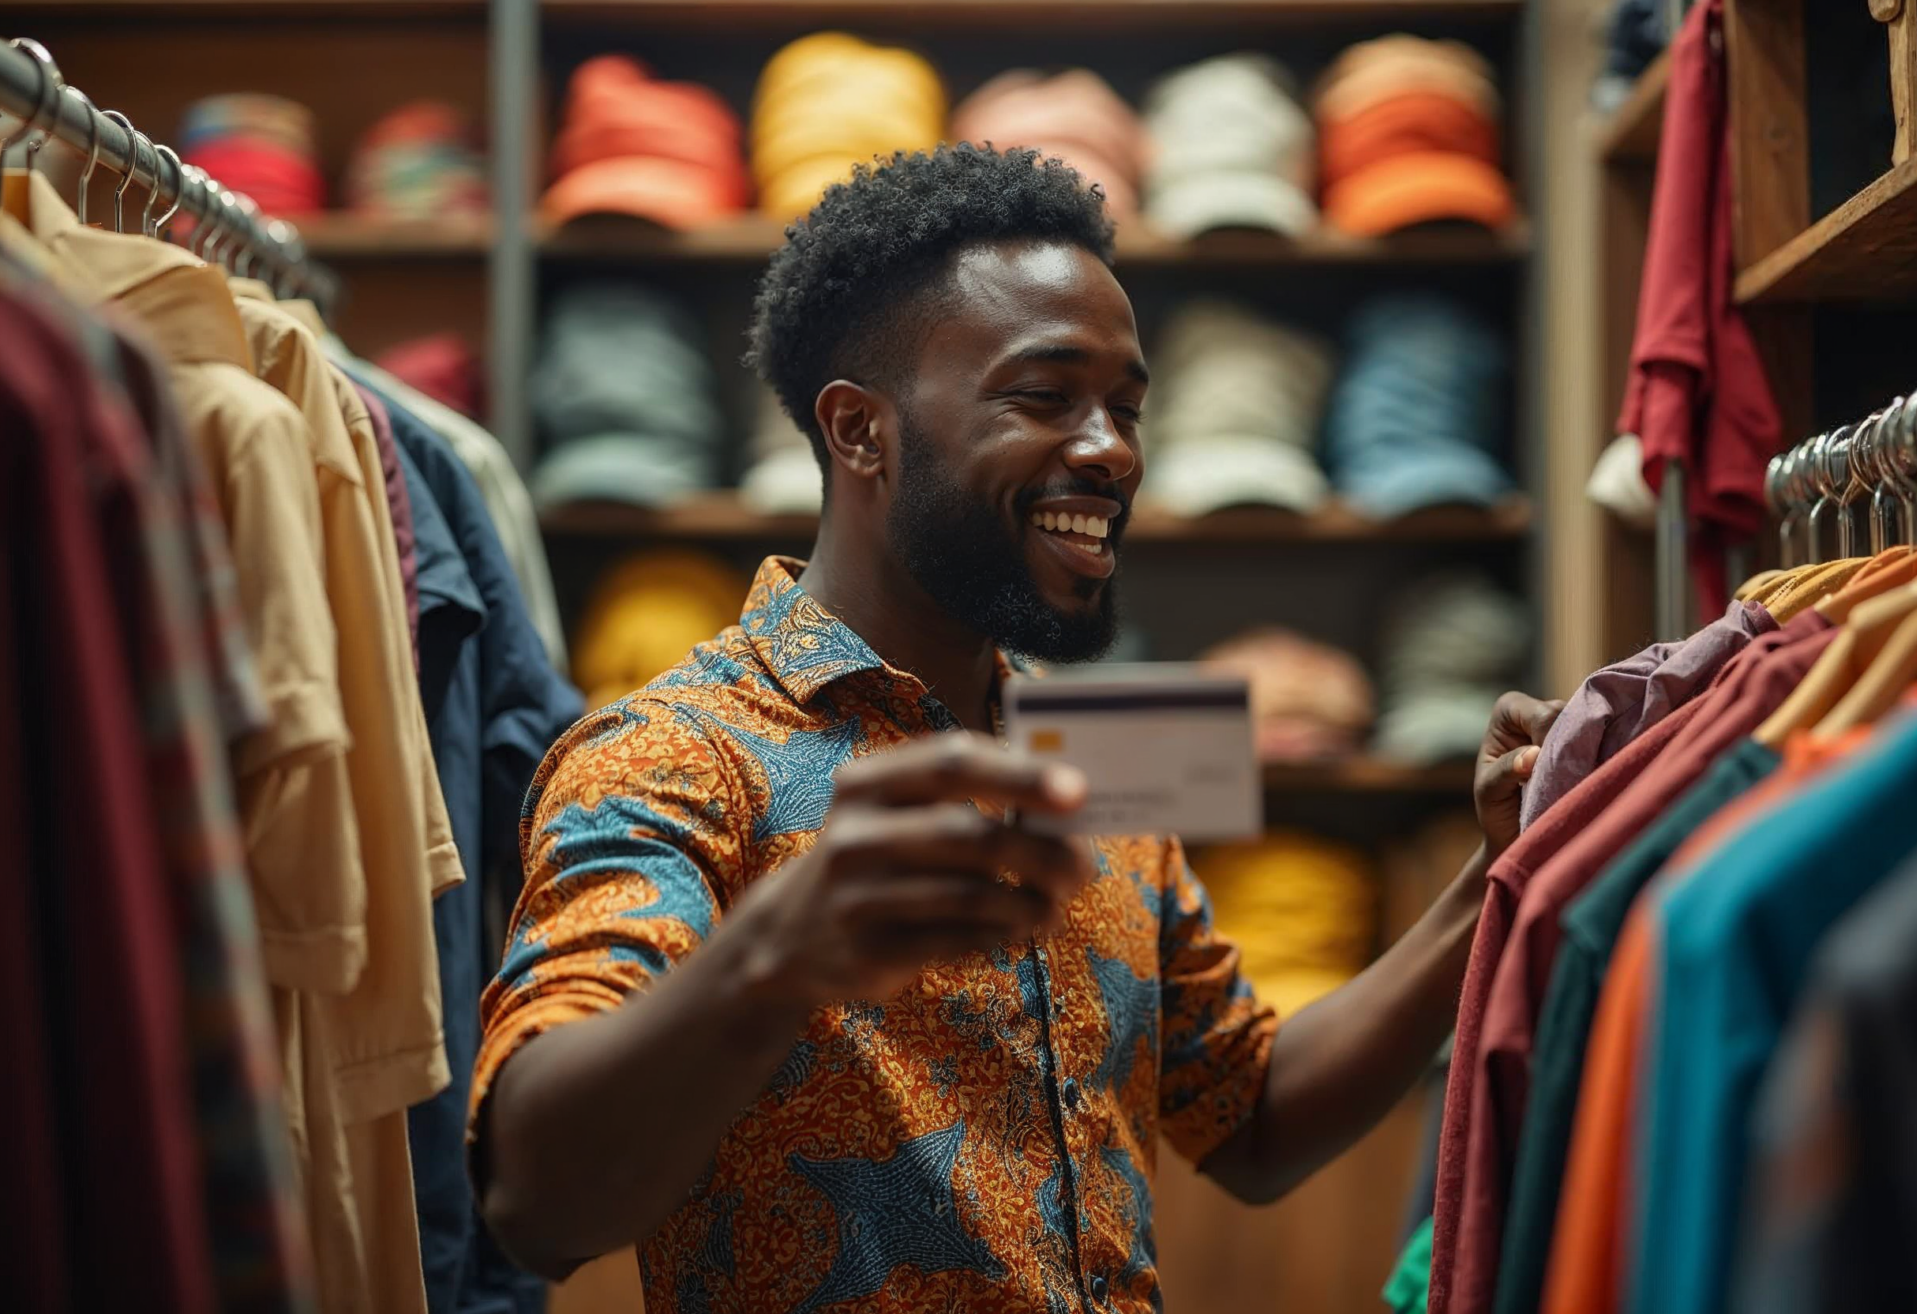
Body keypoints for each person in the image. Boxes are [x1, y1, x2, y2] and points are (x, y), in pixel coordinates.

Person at [472, 143, 1560, 1312]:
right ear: (859, 433)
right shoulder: (670, 753)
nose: (1112, 452)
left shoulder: (1090, 749)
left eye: (1128, 407)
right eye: (1045, 398)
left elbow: (1247, 1119)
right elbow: (537, 1202)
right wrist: (773, 957)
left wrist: (1493, 875)